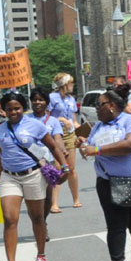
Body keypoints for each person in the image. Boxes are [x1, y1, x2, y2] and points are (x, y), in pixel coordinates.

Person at [0, 92, 69, 261]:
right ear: (4, 111)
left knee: (37, 217)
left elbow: (53, 146)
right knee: (9, 218)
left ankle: (40, 255)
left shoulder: (35, 125)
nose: (13, 112)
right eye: (9, 109)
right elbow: (0, 157)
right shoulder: (0, 130)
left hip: (33, 175)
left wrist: (64, 166)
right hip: (9, 177)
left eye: (17, 108)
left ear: (23, 108)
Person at [78, 90, 131, 261]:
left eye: (99, 105)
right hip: (108, 182)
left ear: (111, 105)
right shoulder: (98, 127)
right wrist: (85, 146)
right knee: (115, 225)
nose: (96, 109)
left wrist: (99, 150)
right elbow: (90, 145)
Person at [28, 87, 66, 222]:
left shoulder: (53, 121)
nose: (37, 102)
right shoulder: (26, 120)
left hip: (47, 163)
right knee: (35, 198)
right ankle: (39, 224)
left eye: (41, 100)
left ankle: (42, 221)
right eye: (34, 100)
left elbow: (58, 140)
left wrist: (62, 154)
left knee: (48, 198)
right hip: (30, 163)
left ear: (46, 103)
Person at [48, 73, 83, 210]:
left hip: (70, 135)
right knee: (59, 169)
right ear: (63, 84)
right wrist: (61, 120)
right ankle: (54, 203)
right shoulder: (52, 98)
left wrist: (83, 132)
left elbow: (74, 121)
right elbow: (46, 117)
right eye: (70, 83)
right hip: (56, 135)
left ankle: (76, 199)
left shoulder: (71, 99)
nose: (72, 85)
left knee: (71, 168)